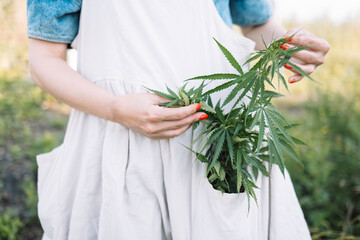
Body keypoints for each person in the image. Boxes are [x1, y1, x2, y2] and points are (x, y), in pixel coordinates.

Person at [27, 0, 329, 239]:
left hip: (218, 138)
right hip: (119, 138)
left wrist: (287, 46)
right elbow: (43, 59)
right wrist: (114, 109)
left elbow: (258, 24)